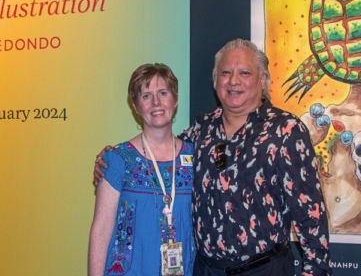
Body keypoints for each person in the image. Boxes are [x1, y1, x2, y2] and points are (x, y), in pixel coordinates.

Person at [95, 39, 332, 276]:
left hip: (263, 269)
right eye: (226, 73)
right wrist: (114, 160)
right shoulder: (201, 130)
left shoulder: (286, 130)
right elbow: (161, 148)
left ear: (262, 79)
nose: (234, 81)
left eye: (245, 73)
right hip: (206, 269)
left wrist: (315, 270)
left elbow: (311, 213)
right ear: (216, 81)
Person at [88, 63, 195, 276]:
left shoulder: (195, 158)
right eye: (146, 96)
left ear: (175, 100)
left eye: (163, 93)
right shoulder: (117, 159)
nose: (156, 102)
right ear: (136, 107)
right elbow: (100, 231)